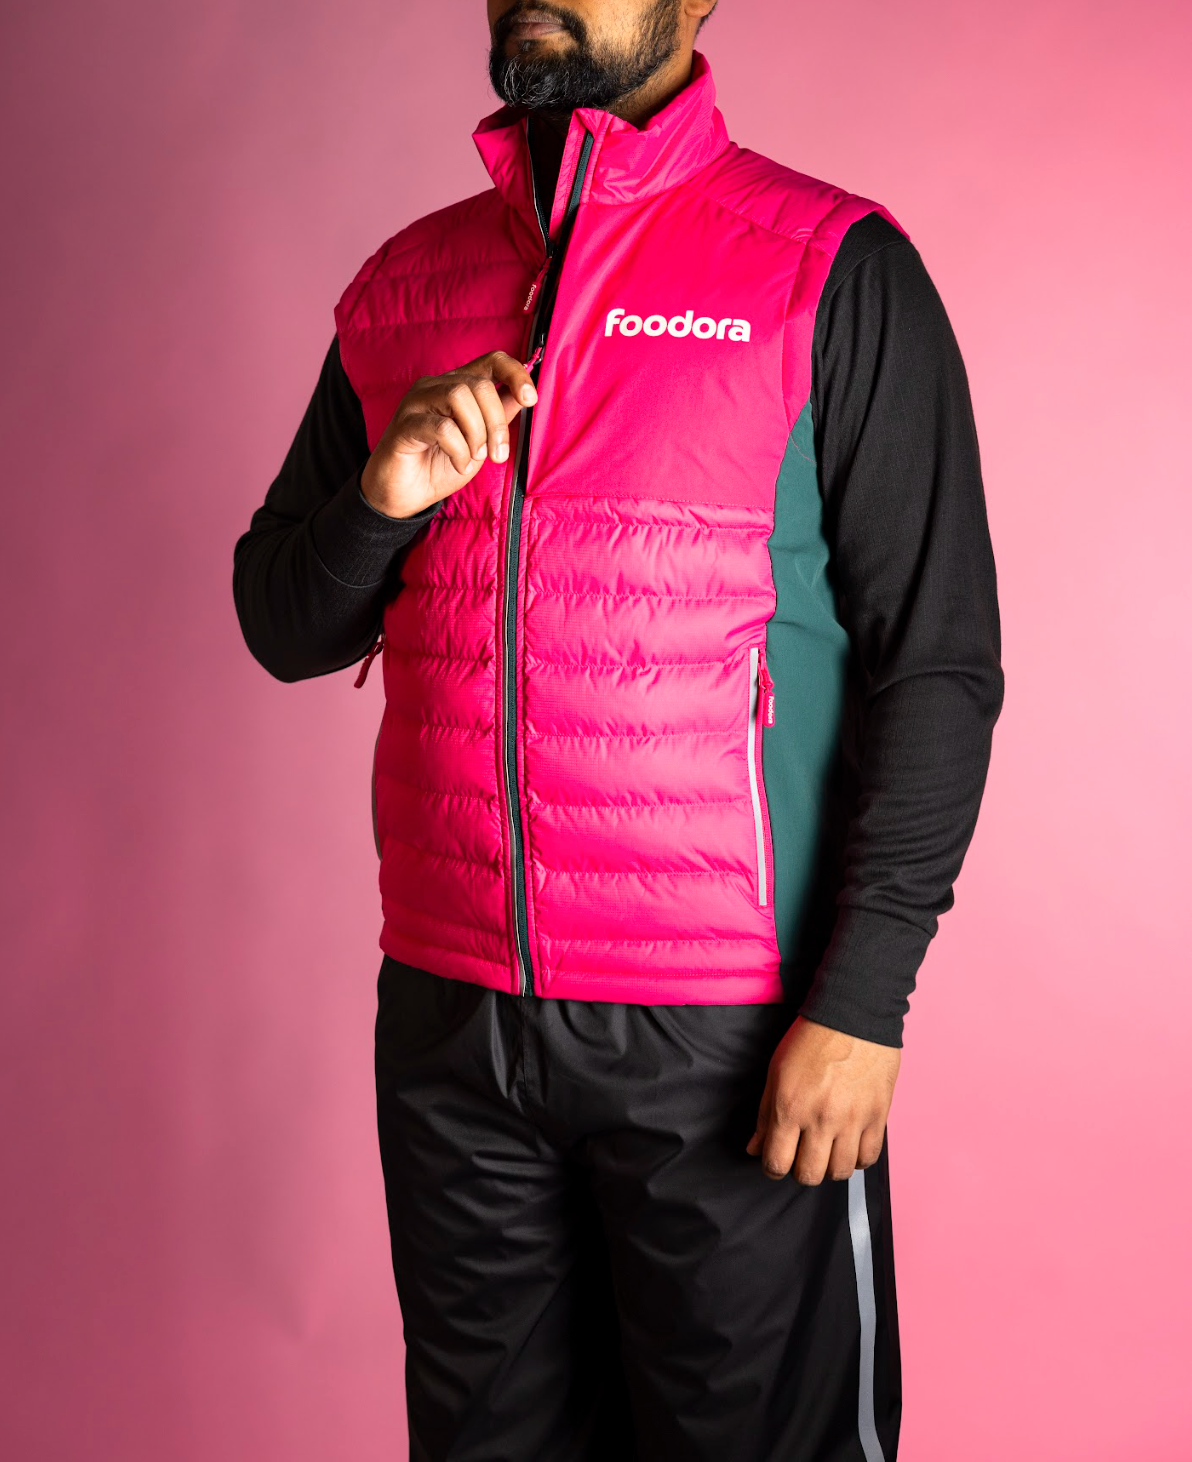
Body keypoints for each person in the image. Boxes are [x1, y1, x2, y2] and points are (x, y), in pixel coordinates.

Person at [233, 2, 1003, 1457]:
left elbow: (939, 662)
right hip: (454, 1026)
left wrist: (862, 1001)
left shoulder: (830, 267)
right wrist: (383, 497)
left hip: (729, 1032)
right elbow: (283, 622)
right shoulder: (406, 286)